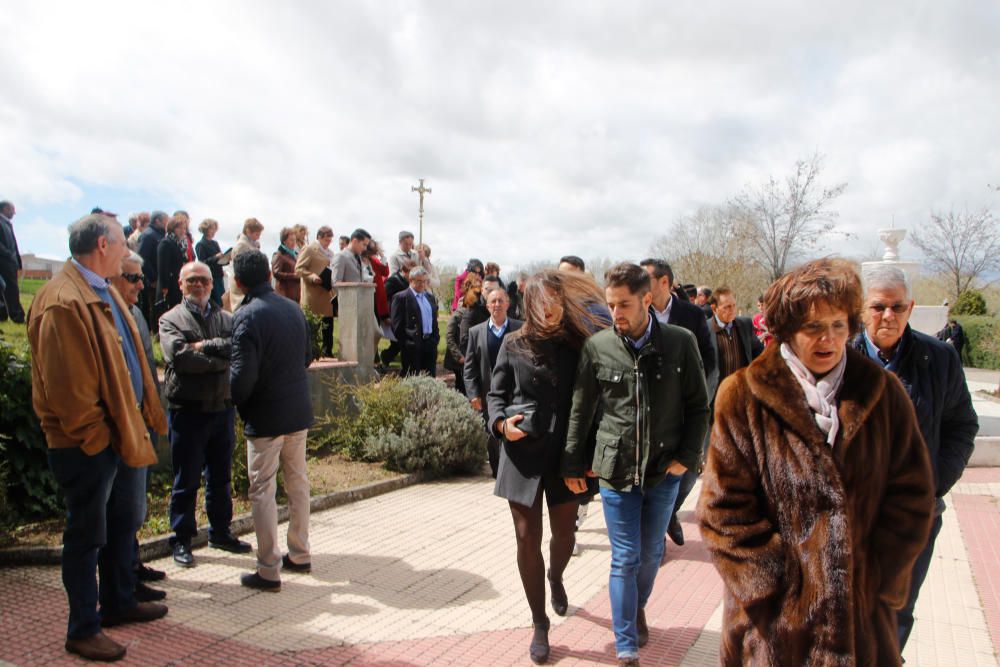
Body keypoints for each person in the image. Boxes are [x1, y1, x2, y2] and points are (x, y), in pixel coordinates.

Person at [698, 258, 935, 666]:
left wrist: (876, 578)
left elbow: (912, 497)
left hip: (861, 625)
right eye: (813, 328)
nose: (828, 339)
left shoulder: (882, 392)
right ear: (787, 331)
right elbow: (723, 513)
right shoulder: (742, 396)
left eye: (838, 325)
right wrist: (781, 592)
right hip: (771, 631)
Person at [28, 214, 168, 661]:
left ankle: (119, 601)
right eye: (122, 243)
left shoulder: (100, 289)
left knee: (119, 523)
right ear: (103, 247)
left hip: (116, 433)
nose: (128, 251)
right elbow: (69, 393)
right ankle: (83, 629)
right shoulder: (63, 300)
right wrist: (99, 440)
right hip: (89, 445)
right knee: (86, 536)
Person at [562, 263, 709, 666]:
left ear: (647, 299)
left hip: (665, 471)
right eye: (611, 305)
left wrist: (687, 459)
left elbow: (699, 407)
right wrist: (573, 464)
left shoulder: (680, 343)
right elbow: (581, 410)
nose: (616, 314)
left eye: (624, 304)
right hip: (615, 471)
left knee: (650, 554)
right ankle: (625, 642)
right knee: (624, 556)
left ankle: (634, 606)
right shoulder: (599, 347)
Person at [854, 265, 978, 653]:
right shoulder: (834, 357)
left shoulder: (939, 358)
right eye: (878, 307)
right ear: (862, 309)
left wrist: (935, 480)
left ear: (910, 308)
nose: (887, 316)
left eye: (896, 307)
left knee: (896, 609)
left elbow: (961, 425)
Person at [488, 269, 606, 664]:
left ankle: (555, 576)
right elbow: (496, 394)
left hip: (565, 457)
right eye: (542, 302)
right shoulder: (512, 343)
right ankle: (539, 623)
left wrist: (589, 455)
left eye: (556, 301)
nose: (550, 309)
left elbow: (592, 401)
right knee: (526, 537)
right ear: (530, 304)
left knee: (564, 537)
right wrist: (502, 425)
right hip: (521, 455)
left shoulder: (579, 344)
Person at [230, 250, 314, 591]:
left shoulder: (246, 315)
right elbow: (307, 357)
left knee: (263, 489)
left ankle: (268, 569)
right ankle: (300, 552)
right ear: (269, 275)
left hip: (265, 416)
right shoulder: (293, 308)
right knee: (298, 482)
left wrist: (235, 398)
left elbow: (241, 376)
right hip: (296, 411)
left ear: (237, 282)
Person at [159, 261, 251, 569]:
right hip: (188, 410)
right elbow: (179, 357)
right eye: (192, 280)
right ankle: (182, 540)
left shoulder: (227, 318)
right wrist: (218, 360)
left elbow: (236, 348)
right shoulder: (170, 319)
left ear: (212, 285)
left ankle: (221, 533)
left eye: (204, 280)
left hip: (222, 409)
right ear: (181, 284)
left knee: (220, 478)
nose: (198, 285)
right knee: (186, 480)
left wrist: (205, 349)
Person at [638, 258, 717, 549]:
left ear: (664, 282)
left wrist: (696, 394)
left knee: (687, 470)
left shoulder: (692, 315)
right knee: (653, 473)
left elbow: (709, 358)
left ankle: (670, 512)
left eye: (645, 279)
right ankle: (654, 540)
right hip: (649, 412)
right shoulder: (637, 310)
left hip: (684, 407)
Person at [109, 252, 167, 603]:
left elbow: (145, 368)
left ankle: (132, 566)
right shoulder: (105, 316)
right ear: (113, 277)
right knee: (122, 508)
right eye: (133, 278)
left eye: (141, 277)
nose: (141, 284)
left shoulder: (137, 314)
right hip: (121, 426)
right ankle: (122, 581)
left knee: (135, 503)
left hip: (145, 419)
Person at [464, 286, 522, 477]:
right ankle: (497, 472)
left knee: (513, 428)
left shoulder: (520, 328)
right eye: (493, 301)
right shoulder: (476, 332)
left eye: (500, 301)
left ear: (508, 304)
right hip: (488, 392)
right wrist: (473, 394)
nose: (497, 305)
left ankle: (512, 469)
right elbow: (470, 367)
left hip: (515, 391)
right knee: (492, 431)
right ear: (487, 305)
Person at [709, 287, 764, 387]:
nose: (732, 310)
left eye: (734, 305)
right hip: (716, 395)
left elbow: (759, 353)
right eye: (727, 307)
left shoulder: (745, 325)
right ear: (714, 308)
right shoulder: (704, 330)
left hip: (743, 390)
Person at [295, 226, 336, 358]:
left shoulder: (330, 253)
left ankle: (327, 353)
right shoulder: (309, 249)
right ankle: (310, 354)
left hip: (326, 294)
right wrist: (312, 277)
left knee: (328, 327)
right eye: (325, 240)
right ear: (319, 237)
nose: (328, 242)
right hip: (313, 294)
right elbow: (299, 268)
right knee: (312, 328)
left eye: (330, 240)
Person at [391, 267, 439, 376]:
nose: (422, 284)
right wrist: (407, 343)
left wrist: (435, 339)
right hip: (412, 346)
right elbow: (397, 326)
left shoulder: (430, 297)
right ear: (411, 280)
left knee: (430, 380)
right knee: (412, 379)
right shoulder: (401, 298)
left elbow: (434, 321)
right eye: (419, 281)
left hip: (430, 344)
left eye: (424, 281)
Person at [444, 273, 483, 395]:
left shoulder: (479, 311)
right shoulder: (460, 312)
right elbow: (449, 335)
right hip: (460, 359)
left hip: (471, 357)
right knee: (462, 387)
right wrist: (459, 356)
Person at [380, 259, 415, 367]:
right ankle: (385, 357)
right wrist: (385, 316)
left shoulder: (407, 282)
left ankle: (387, 358)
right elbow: (382, 298)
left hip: (404, 316)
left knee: (400, 342)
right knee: (399, 341)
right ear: (404, 271)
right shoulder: (393, 281)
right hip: (393, 316)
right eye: (411, 273)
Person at [137, 210, 168, 329]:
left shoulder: (160, 235)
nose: (167, 223)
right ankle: (155, 331)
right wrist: (153, 278)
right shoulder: (148, 235)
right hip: (153, 281)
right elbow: (142, 259)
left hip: (160, 278)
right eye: (165, 220)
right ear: (157, 221)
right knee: (155, 306)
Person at [228, 218, 264, 310]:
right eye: (257, 234)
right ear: (248, 231)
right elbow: (242, 270)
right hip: (242, 289)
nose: (258, 237)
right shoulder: (242, 246)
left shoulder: (251, 244)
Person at [157, 215, 189, 311]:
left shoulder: (180, 243)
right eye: (179, 228)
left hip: (178, 282)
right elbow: (163, 266)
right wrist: (164, 286)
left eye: (184, 228)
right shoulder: (166, 243)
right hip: (169, 284)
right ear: (172, 228)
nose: (182, 231)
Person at [0, 200, 24, 323]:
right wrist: (8, 255)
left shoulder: (7, 223)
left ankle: (4, 315)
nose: (14, 212)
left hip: (10, 262)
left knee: (8, 289)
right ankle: (17, 316)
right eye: (12, 209)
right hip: (4, 262)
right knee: (10, 289)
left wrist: (18, 261)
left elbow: (14, 245)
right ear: (4, 209)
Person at [195, 219, 227, 307]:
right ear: (206, 229)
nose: (214, 231)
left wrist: (226, 258)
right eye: (212, 229)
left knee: (222, 300)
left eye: (215, 229)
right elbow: (202, 262)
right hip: (210, 277)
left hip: (219, 276)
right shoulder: (200, 244)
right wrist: (216, 257)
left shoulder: (215, 243)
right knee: (215, 302)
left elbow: (220, 260)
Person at [272, 227, 301, 303]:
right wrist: (293, 275)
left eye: (295, 240)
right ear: (284, 241)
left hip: (296, 294)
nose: (294, 242)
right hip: (284, 294)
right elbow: (276, 273)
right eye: (291, 240)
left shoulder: (296, 254)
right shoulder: (279, 255)